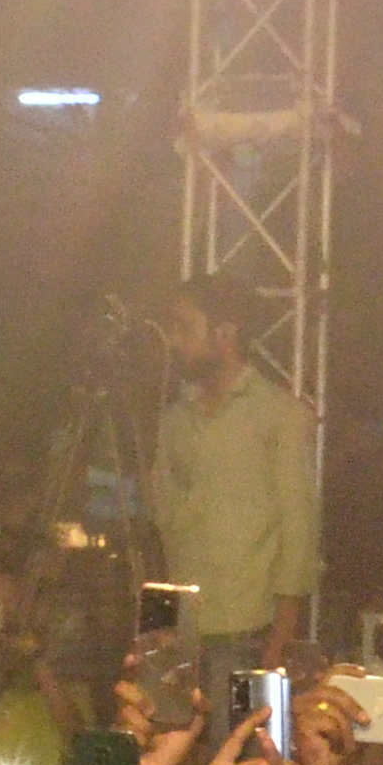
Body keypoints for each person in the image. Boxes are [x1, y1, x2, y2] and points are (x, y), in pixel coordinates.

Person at [142, 275, 315, 664]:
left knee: (237, 709)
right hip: (179, 630)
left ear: (225, 332)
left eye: (185, 328)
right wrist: (157, 628)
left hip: (249, 631)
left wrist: (280, 642)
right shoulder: (173, 419)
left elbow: (299, 535)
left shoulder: (280, 414)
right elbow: (162, 531)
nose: (174, 341)